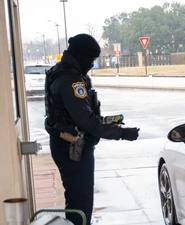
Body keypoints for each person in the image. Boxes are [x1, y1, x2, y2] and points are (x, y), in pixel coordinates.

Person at [44, 33, 139, 225]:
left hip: (68, 145)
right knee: (81, 201)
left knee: (79, 197)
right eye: (91, 60)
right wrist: (122, 133)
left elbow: (82, 116)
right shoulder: (71, 81)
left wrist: (109, 123)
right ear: (81, 56)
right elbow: (88, 123)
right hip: (72, 149)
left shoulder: (64, 72)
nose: (92, 64)